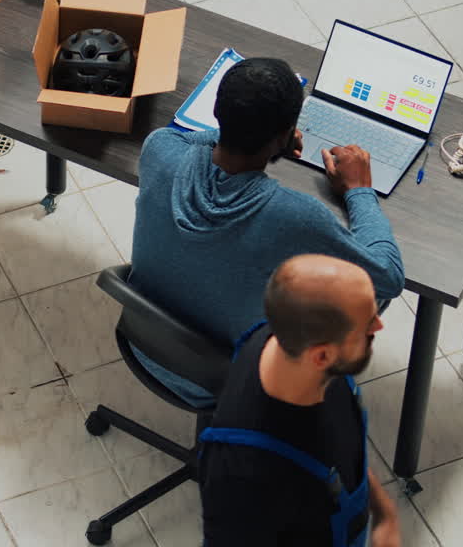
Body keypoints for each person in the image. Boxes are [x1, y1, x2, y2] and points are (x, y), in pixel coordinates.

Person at [129, 57, 404, 406]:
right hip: (221, 377)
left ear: (217, 110)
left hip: (143, 339)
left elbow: (190, 141)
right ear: (284, 134)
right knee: (366, 291)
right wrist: (359, 190)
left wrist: (258, 137)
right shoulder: (295, 217)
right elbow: (389, 276)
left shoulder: (159, 148)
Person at [199, 254, 400, 547]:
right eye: (367, 325)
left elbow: (342, 451)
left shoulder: (294, 345)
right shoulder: (243, 478)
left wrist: (385, 513)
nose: (378, 326)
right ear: (321, 356)